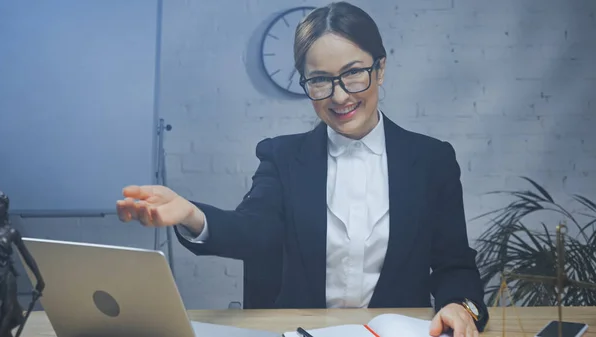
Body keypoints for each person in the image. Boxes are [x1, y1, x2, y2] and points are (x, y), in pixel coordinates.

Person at [116, 2, 489, 336]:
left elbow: (454, 263)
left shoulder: (431, 160)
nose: (340, 95)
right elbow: (254, 230)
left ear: (381, 68)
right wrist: (192, 214)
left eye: (353, 73)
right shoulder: (281, 156)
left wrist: (461, 306)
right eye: (320, 80)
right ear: (306, 83)